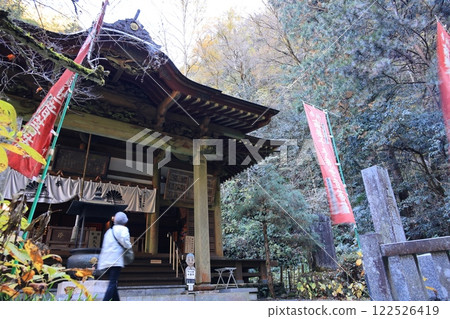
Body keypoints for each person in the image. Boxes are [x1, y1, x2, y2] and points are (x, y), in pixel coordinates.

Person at [97, 211, 132, 301]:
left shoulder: (109, 231)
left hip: (105, 260)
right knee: (112, 283)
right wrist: (130, 248)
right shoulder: (123, 230)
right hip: (115, 261)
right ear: (125, 221)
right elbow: (125, 242)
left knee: (113, 282)